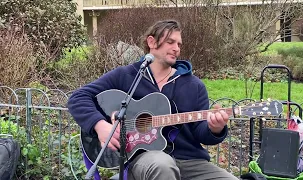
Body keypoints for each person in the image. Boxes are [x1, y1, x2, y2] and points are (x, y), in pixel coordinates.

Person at [68, 19, 238, 180]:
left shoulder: (194, 85)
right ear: (151, 42)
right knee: (162, 165)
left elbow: (201, 133)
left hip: (190, 161)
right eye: (170, 42)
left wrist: (214, 128)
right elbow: (78, 97)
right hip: (145, 160)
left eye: (179, 44)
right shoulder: (126, 76)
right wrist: (100, 125)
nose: (176, 48)